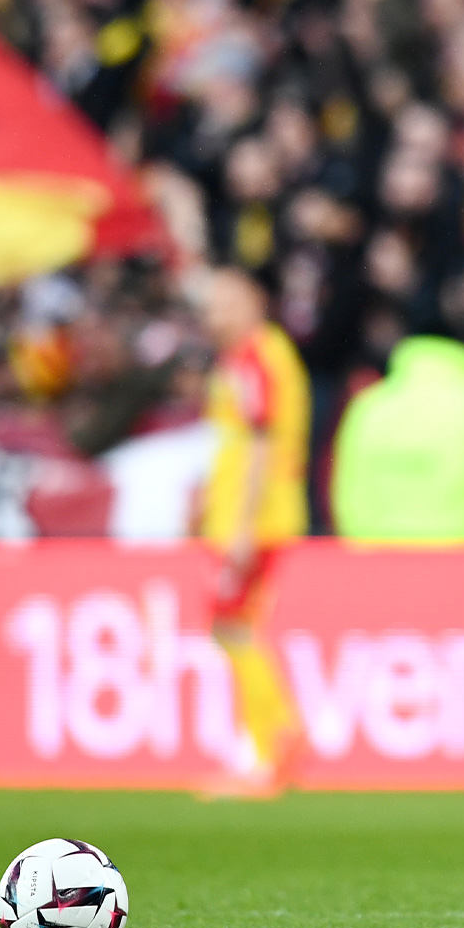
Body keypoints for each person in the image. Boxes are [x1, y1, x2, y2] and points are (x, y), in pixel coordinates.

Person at [198, 266, 309, 794]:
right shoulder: (256, 356)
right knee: (236, 626)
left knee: (232, 625)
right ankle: (268, 743)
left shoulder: (255, 357)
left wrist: (241, 523)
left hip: (257, 519)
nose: (213, 315)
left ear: (252, 302)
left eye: (223, 302)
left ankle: (270, 746)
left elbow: (262, 440)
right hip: (252, 515)